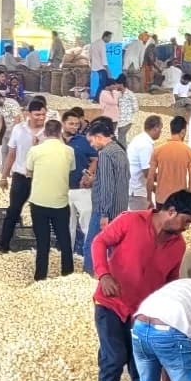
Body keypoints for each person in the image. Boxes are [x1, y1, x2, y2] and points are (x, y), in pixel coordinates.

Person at [90, 193, 191, 381]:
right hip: (111, 304)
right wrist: (104, 274)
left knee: (142, 370)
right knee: (113, 360)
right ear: (171, 211)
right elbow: (99, 241)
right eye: (186, 221)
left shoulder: (178, 246)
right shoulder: (131, 220)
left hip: (142, 316)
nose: (187, 228)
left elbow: (170, 282)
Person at [24, 118, 75, 281]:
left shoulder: (35, 150)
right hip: (60, 202)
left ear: (45, 133)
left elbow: (28, 172)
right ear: (60, 133)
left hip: (38, 202)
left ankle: (40, 277)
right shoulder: (69, 151)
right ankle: (68, 274)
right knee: (64, 239)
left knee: (42, 242)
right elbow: (71, 169)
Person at [0, 95, 46, 250]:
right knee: (13, 211)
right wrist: (3, 176)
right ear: (28, 114)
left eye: (43, 114)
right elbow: (11, 154)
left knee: (40, 213)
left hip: (42, 178)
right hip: (21, 177)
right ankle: (3, 246)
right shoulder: (18, 129)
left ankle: (42, 248)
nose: (41, 118)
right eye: (37, 114)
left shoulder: (50, 130)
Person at [83, 116, 129, 276]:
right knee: (113, 247)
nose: (92, 145)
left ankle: (89, 277)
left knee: (92, 244)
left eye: (91, 141)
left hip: (105, 210)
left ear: (98, 137)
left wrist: (104, 213)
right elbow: (123, 179)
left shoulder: (105, 154)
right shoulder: (120, 150)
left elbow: (108, 187)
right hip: (120, 209)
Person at [147, 115, 191, 203]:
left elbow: (150, 177)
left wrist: (149, 198)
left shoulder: (157, 150)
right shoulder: (189, 152)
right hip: (180, 201)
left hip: (161, 199)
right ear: (183, 132)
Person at [125, 114, 161, 212]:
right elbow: (147, 173)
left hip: (135, 187)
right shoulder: (145, 145)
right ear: (155, 128)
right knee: (138, 222)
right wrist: (163, 180)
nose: (161, 132)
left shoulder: (140, 139)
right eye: (160, 129)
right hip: (137, 189)